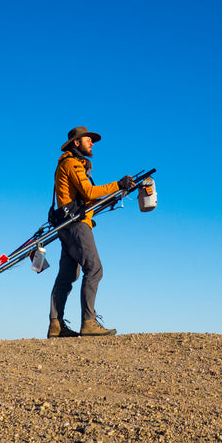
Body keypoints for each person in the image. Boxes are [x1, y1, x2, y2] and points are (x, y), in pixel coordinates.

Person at [48, 126, 134, 338]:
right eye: (88, 140)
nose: (92, 143)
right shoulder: (72, 164)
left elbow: (87, 198)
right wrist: (117, 184)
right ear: (76, 143)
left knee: (67, 276)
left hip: (66, 226)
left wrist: (119, 190)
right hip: (77, 225)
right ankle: (89, 322)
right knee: (94, 269)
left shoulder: (68, 163)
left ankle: (56, 325)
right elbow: (88, 192)